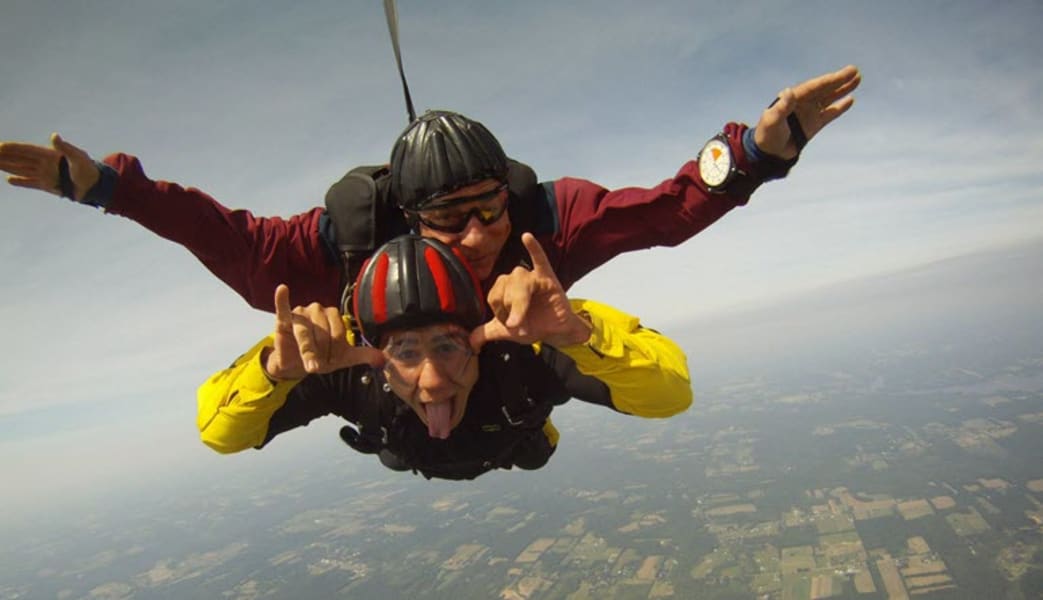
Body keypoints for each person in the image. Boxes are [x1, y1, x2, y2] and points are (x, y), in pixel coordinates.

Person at [0, 66, 861, 318]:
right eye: (451, 219)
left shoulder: (543, 221)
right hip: (393, 374)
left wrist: (755, 151)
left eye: (489, 204)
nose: (483, 230)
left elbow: (662, 214)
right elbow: (227, 237)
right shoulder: (348, 236)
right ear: (408, 220)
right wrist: (106, 187)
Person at [197, 233, 692, 480]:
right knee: (395, 452)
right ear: (375, 352)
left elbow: (670, 394)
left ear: (479, 334)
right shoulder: (346, 361)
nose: (431, 381)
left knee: (536, 453)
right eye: (405, 352)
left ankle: (529, 436)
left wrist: (578, 336)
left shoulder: (524, 343)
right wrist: (273, 372)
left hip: (511, 438)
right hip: (410, 442)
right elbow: (220, 434)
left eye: (448, 345)